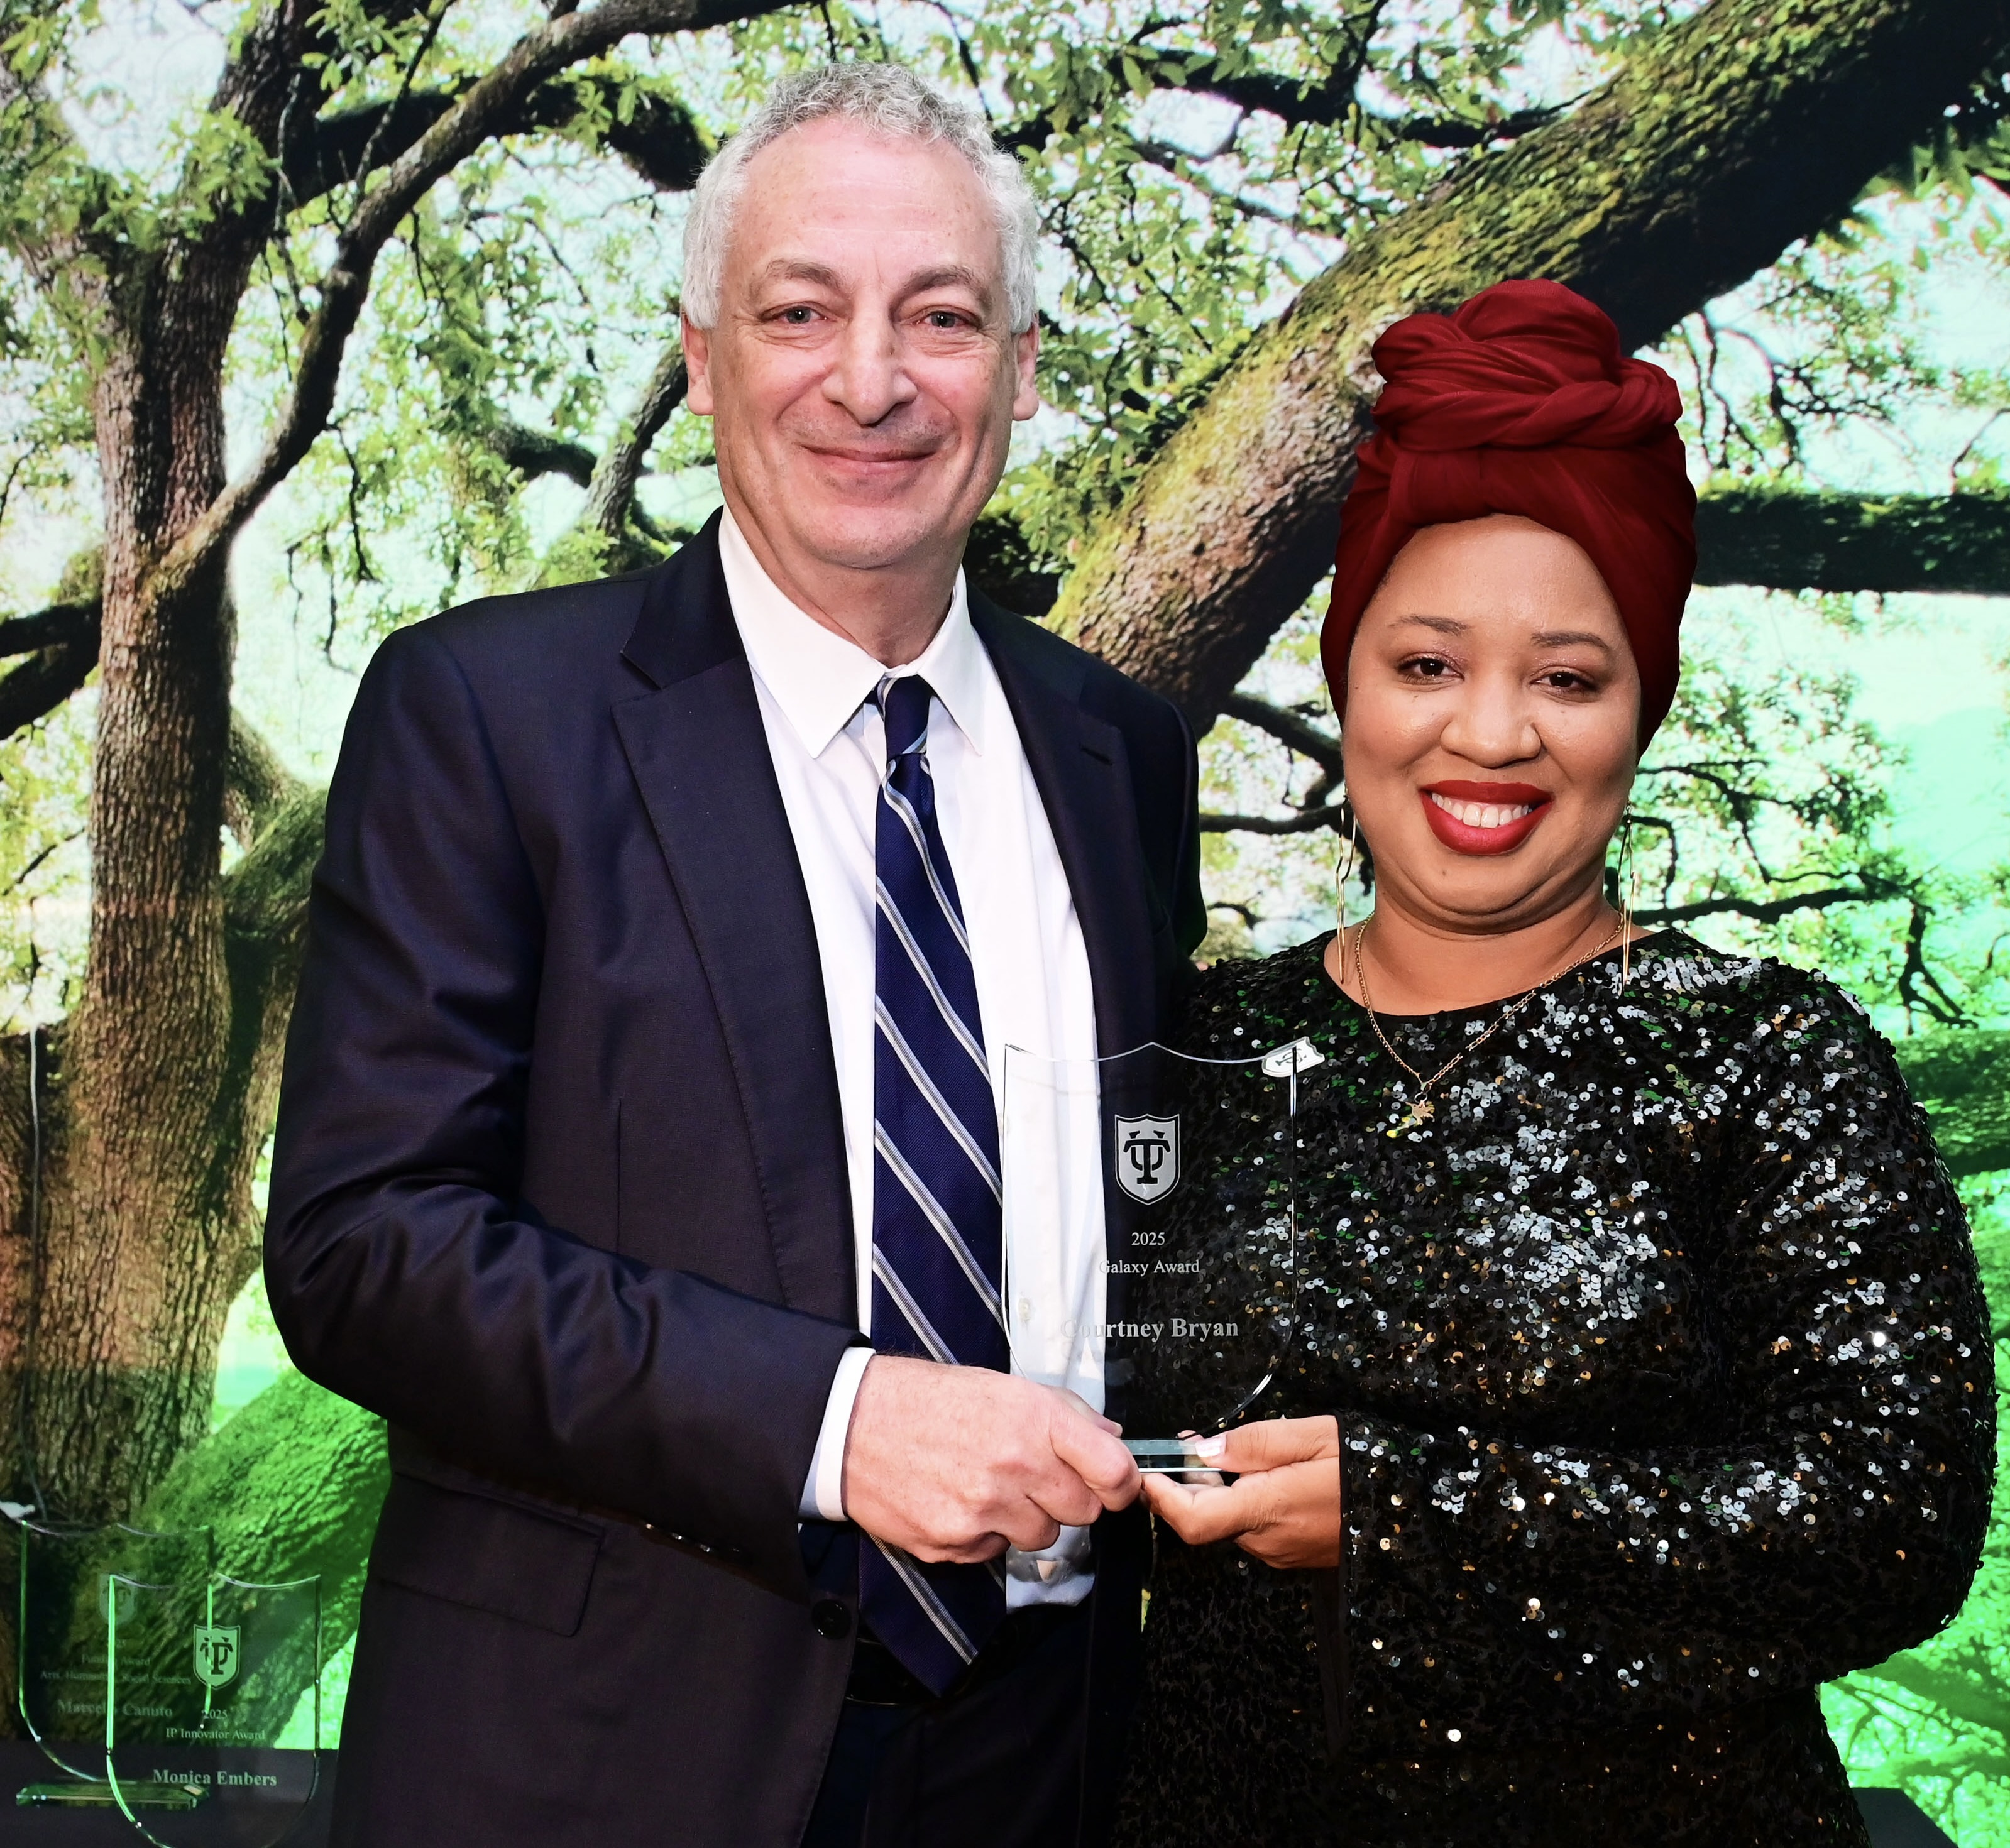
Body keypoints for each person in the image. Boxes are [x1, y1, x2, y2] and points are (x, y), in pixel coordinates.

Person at [265, 63, 1202, 1848]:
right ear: (702, 358)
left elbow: (1131, 1210)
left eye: (939, 316)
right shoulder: (486, 710)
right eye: (800, 311)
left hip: (1040, 1751)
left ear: (1014, 370)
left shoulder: (1117, 749)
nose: (869, 379)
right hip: (598, 1758)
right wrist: (839, 1419)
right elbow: (361, 1241)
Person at [1118, 280, 1996, 1845]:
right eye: (1429, 664)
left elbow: (1892, 1522)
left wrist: (1405, 1516)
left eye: (1569, 677)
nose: (1494, 733)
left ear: (1639, 708)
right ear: (1349, 682)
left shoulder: (1768, 1056)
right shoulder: (1191, 1047)